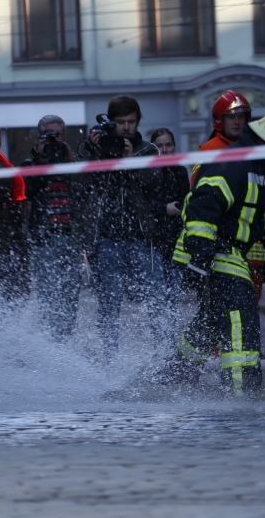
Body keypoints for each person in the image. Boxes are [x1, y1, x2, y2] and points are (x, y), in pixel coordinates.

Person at [163, 109, 265, 396]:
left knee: (211, 321)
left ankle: (175, 376)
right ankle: (243, 392)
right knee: (242, 319)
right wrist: (201, 256)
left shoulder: (256, 166)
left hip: (226, 251)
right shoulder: (235, 164)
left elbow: (254, 214)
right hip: (217, 251)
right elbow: (203, 205)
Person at [74, 95, 170, 358]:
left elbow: (155, 182)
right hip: (106, 238)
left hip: (141, 237)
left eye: (131, 122)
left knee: (157, 298)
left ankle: (166, 355)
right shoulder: (94, 146)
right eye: (120, 122)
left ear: (139, 121)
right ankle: (110, 358)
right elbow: (78, 184)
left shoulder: (147, 150)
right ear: (109, 121)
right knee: (109, 303)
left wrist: (130, 161)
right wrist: (94, 154)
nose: (126, 127)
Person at [191, 91, 265, 300]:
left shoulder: (255, 148)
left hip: (252, 245)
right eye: (231, 117)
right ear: (220, 120)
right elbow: (200, 197)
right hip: (222, 244)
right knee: (222, 309)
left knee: (248, 307)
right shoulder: (210, 150)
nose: (237, 122)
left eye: (241, 117)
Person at [22, 114, 80, 339]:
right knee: (48, 297)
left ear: (65, 135)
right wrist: (42, 163)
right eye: (49, 134)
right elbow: (29, 190)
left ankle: (63, 341)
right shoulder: (31, 164)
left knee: (70, 297)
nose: (55, 138)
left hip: (70, 237)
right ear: (40, 137)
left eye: (59, 133)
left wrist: (68, 161)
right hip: (43, 239)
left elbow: (83, 189)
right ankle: (51, 342)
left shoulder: (72, 162)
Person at [150, 128, 190, 295]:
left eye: (168, 145)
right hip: (154, 238)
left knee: (173, 291)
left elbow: (186, 198)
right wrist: (164, 208)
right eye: (160, 146)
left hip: (176, 237)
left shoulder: (180, 170)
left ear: (174, 146)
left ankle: (169, 322)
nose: (164, 150)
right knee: (158, 291)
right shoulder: (148, 170)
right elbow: (142, 204)